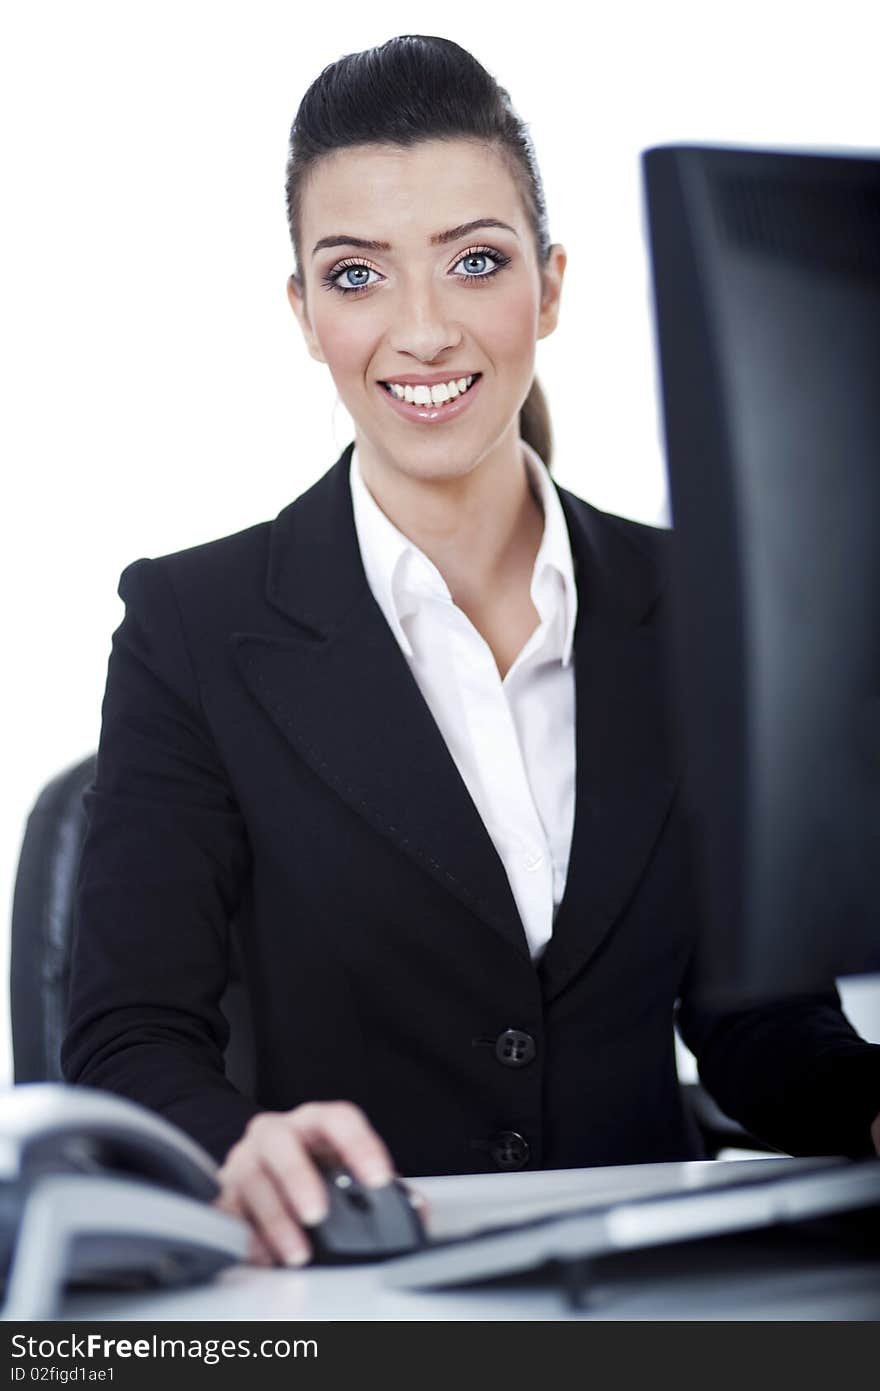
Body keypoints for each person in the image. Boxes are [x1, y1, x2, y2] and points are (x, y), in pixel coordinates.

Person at [62, 34, 880, 1270]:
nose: (426, 330)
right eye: (357, 276)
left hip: (650, 1291)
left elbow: (757, 1020)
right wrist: (238, 1147)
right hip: (355, 1291)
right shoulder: (191, 625)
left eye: (477, 262)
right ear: (303, 312)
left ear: (549, 286)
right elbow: (131, 1040)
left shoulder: (689, 601)